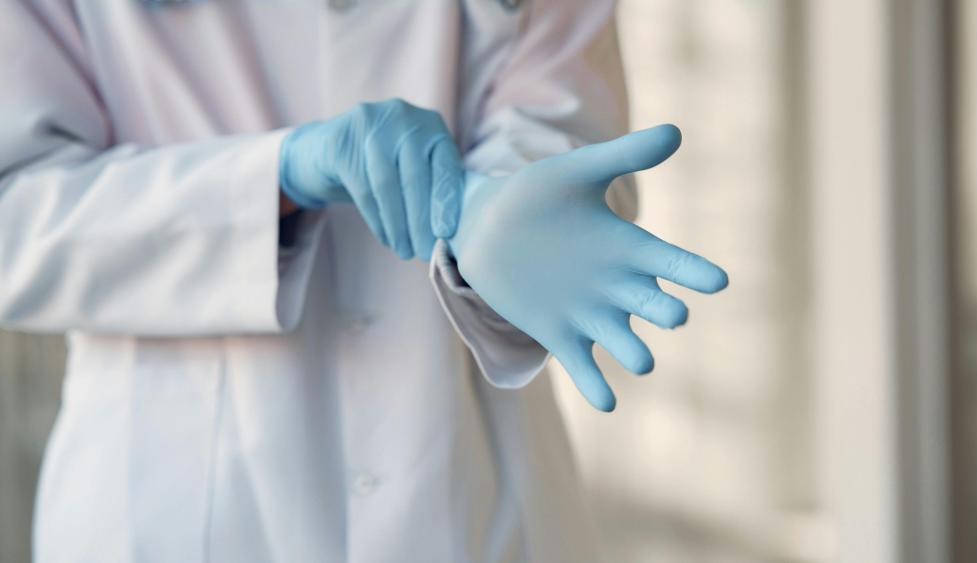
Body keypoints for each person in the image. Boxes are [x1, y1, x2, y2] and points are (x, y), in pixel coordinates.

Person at [0, 1, 727, 561]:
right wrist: (273, 177)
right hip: (175, 500)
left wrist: (507, 208)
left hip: (474, 490)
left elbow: (570, 137)